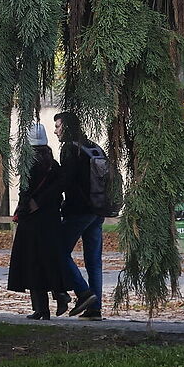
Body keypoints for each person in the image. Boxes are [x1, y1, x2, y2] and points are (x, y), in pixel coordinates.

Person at [6, 130, 72, 319]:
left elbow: (25, 191)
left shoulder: (29, 163)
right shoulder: (53, 164)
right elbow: (61, 187)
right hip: (50, 219)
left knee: (32, 263)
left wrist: (24, 209)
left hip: (32, 220)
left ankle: (41, 308)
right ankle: (58, 294)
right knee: (48, 261)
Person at [56, 110, 110, 318]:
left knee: (58, 251)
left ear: (67, 127)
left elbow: (66, 181)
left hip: (78, 210)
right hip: (98, 209)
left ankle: (84, 292)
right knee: (94, 261)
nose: (56, 131)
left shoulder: (70, 149)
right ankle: (95, 309)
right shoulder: (94, 147)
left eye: (58, 126)